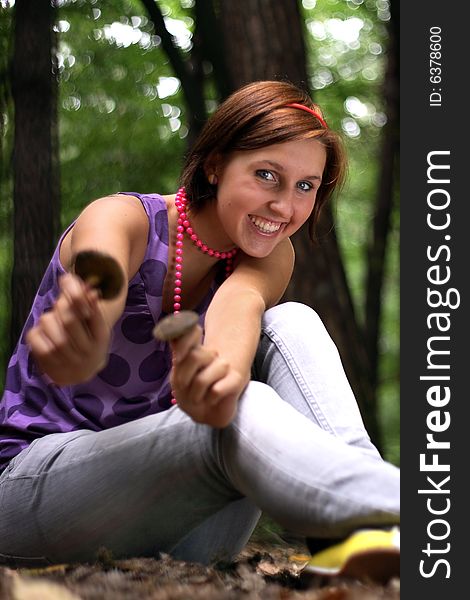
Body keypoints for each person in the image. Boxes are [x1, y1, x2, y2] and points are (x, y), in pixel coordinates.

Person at [0, 80, 399, 579]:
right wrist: (87, 324)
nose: (285, 206)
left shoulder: (269, 257)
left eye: (305, 186)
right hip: (36, 494)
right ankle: (395, 512)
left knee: (291, 323)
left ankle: (361, 528)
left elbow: (239, 306)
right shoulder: (123, 218)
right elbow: (99, 273)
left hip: (179, 525)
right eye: (267, 175)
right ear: (215, 165)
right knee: (242, 407)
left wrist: (220, 379)